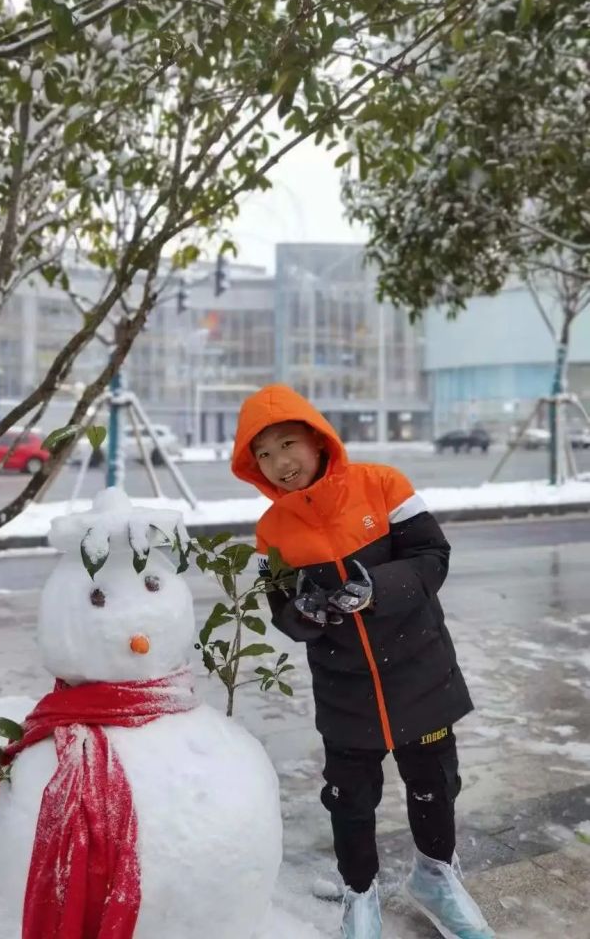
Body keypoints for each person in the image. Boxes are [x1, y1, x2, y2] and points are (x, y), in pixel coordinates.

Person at [231, 384, 494, 939]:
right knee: (349, 798)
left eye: (287, 444)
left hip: (420, 673)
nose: (279, 464)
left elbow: (432, 557)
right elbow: (283, 613)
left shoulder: (383, 485)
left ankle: (436, 879)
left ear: (317, 438)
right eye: (264, 455)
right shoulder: (270, 533)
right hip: (344, 690)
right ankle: (360, 896)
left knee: (434, 783)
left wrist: (374, 587)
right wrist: (304, 611)